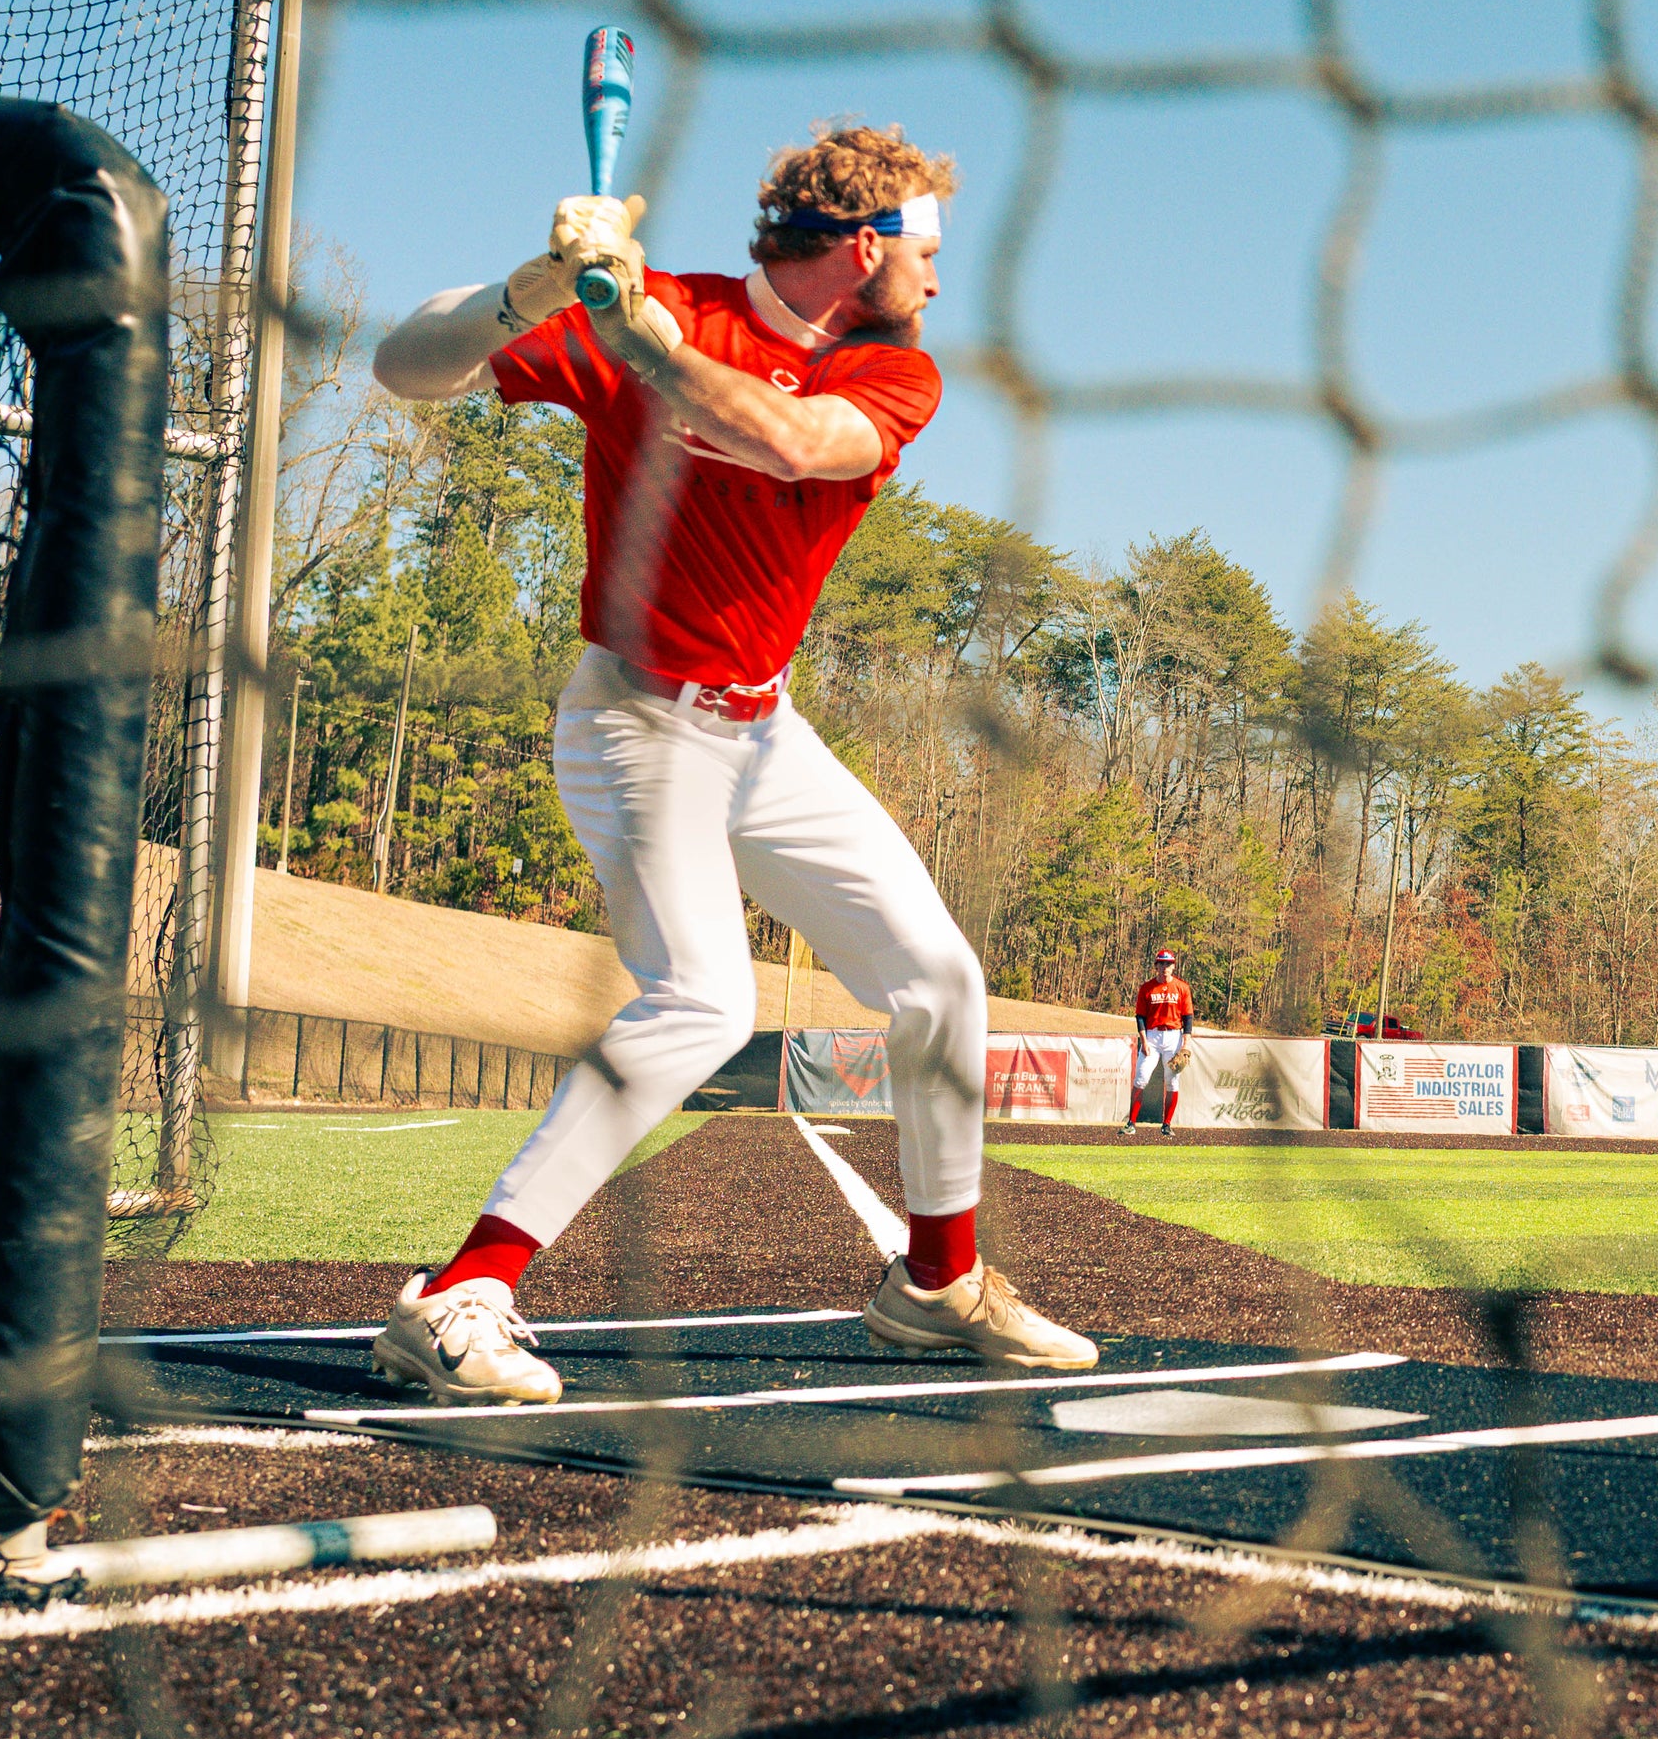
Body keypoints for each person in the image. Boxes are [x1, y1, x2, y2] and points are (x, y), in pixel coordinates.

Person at [362, 123, 1096, 1405]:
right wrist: (531, 291)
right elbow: (402, 365)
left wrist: (652, 348)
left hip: (763, 731)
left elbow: (794, 444)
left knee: (939, 978)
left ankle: (936, 1285)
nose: (936, 278)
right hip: (636, 721)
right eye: (925, 251)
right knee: (706, 999)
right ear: (863, 247)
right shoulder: (658, 306)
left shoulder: (887, 370)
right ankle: (459, 1295)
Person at [1127, 946, 1192, 1134]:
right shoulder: (1147, 988)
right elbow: (1140, 1016)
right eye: (1162, 964)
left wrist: (1186, 1043)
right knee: (1141, 1078)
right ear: (1156, 966)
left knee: (1172, 1081)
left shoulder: (1182, 988)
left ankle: (1167, 1124)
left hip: (1174, 1036)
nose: (1165, 967)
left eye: (1168, 964)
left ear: (1173, 967)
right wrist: (1144, 1041)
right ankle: (1131, 1123)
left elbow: (1188, 1017)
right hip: (1152, 1035)